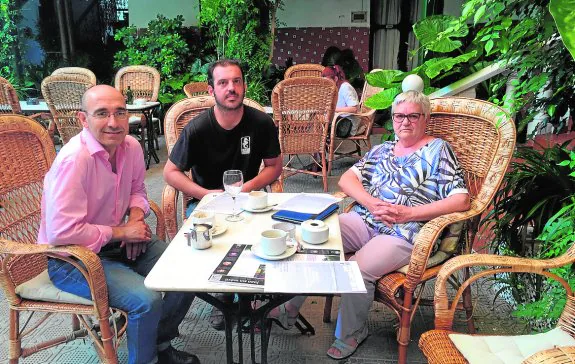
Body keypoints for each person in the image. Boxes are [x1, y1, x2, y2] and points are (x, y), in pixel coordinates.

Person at [267, 90, 470, 360]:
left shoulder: (438, 150)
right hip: (365, 218)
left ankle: (352, 332)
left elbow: (461, 200)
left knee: (357, 269)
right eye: (399, 116)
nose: (405, 122)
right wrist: (371, 202)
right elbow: (347, 180)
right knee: (314, 239)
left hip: (405, 232)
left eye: (412, 116)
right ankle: (289, 309)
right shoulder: (383, 149)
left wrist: (409, 213)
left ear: (425, 119)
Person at [38, 85, 199, 364]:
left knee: (189, 271)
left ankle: (158, 342)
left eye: (120, 113)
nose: (113, 122)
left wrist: (136, 220)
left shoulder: (132, 147)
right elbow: (61, 232)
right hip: (72, 260)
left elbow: (137, 191)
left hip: (115, 243)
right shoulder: (74, 160)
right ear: (82, 119)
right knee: (146, 300)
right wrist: (123, 231)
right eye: (102, 113)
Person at [163, 59, 282, 330]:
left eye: (236, 81)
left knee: (259, 240)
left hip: (249, 200)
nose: (231, 88)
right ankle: (225, 297)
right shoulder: (197, 129)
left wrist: (247, 188)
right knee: (202, 248)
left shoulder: (261, 122)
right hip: (206, 206)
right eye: (223, 83)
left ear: (244, 86)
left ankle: (246, 302)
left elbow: (274, 167)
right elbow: (171, 173)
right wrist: (205, 194)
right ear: (210, 90)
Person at [321, 64, 360, 137]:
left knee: (322, 126)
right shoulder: (334, 88)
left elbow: (354, 109)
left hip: (348, 123)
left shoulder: (345, 87)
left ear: (335, 79)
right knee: (317, 118)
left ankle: (323, 146)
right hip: (339, 119)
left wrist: (333, 109)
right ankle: (322, 146)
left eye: (328, 82)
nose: (326, 85)